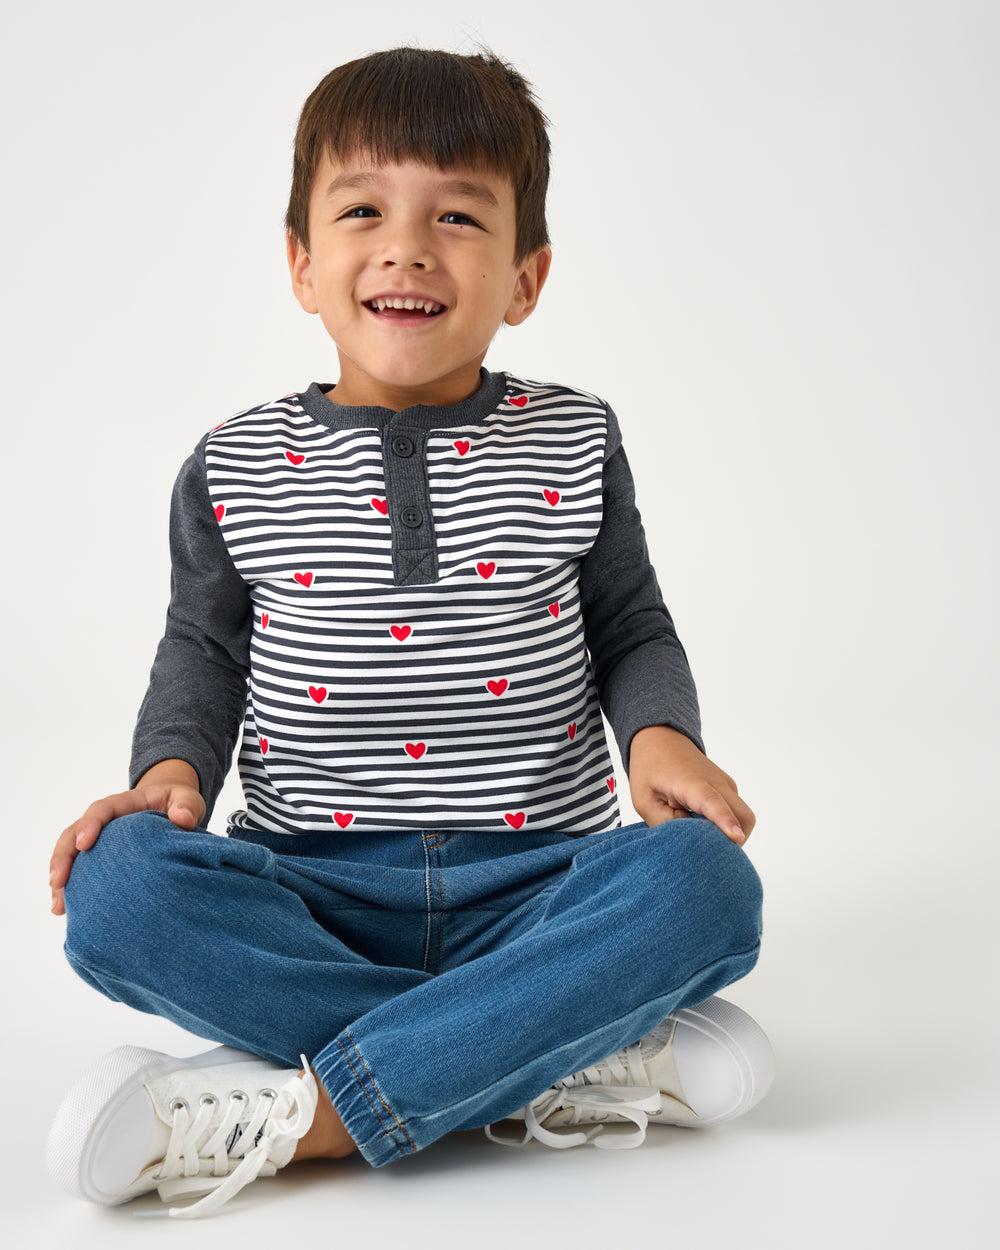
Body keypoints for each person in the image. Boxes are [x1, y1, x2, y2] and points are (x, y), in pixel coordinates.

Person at [46, 47, 773, 1220]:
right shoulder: (233, 462)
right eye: (363, 211)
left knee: (708, 887)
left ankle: (317, 1112)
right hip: (308, 891)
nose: (407, 246)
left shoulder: (574, 439)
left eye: (456, 215)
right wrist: (167, 778)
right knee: (116, 887)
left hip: (536, 879)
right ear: (302, 264)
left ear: (524, 277)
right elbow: (204, 653)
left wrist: (660, 742)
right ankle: (537, 1051)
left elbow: (631, 622)